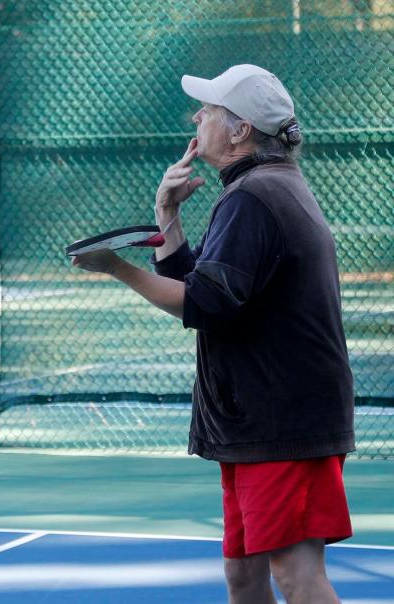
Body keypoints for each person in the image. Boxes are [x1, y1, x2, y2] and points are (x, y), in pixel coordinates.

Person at [70, 64, 354, 603]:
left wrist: (118, 269)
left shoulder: (255, 196)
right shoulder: (261, 187)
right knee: (243, 577)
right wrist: (166, 214)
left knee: (296, 576)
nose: (197, 116)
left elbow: (202, 304)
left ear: (241, 129)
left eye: (209, 109)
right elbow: (209, 289)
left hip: (282, 423)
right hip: (259, 421)